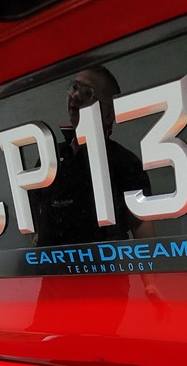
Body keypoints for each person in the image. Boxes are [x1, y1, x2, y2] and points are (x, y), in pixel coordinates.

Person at [34, 65, 153, 246]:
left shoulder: (125, 163)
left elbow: (144, 234)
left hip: (105, 264)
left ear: (108, 115)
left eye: (88, 93)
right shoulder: (49, 157)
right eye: (74, 87)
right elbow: (34, 214)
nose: (75, 95)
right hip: (51, 265)